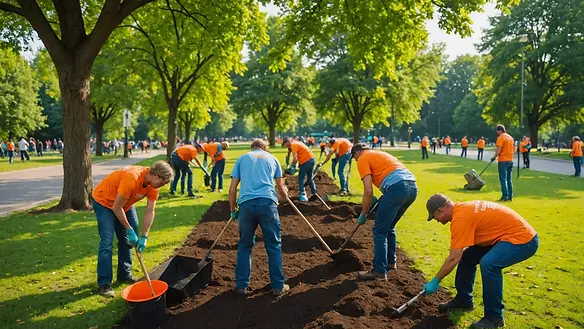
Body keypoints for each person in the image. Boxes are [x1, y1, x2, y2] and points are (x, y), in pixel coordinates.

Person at [423, 194, 538, 329]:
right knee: (468, 257)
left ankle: (494, 317)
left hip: (522, 239)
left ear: (440, 211)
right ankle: (464, 300)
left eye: (434, 216)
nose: (436, 220)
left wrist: (436, 280)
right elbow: (460, 253)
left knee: (489, 264)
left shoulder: (460, 218)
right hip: (500, 236)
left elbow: (454, 257)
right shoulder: (461, 210)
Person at [92, 161, 174, 297]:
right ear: (156, 176)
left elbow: (150, 211)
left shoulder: (153, 186)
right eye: (163, 182)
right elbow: (116, 207)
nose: (163, 186)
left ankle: (124, 275)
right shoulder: (132, 178)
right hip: (104, 202)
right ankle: (104, 284)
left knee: (128, 241)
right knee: (107, 242)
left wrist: (144, 236)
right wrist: (128, 229)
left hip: (124, 204)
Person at [229, 139, 290, 296]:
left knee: (244, 245)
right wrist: (285, 194)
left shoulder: (242, 158)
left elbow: (232, 189)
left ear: (252, 148)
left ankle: (241, 286)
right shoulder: (273, 159)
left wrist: (232, 209)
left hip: (246, 205)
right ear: (265, 148)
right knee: (274, 245)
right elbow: (281, 191)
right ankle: (278, 286)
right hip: (267, 204)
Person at [350, 143, 418, 280]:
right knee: (389, 226)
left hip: (397, 188)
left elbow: (368, 191)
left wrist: (363, 214)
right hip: (412, 187)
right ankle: (390, 262)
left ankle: (379, 270)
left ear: (357, 152)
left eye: (354, 157)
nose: (355, 160)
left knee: (379, 231)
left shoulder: (363, 158)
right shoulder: (379, 153)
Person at [282, 137, 317, 202]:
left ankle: (302, 195)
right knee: (310, 178)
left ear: (287, 142)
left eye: (285, 144)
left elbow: (295, 159)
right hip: (312, 159)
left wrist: (290, 167)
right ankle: (314, 193)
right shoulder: (298, 143)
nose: (285, 146)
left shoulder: (293, 145)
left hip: (306, 161)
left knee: (301, 177)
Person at [491, 125, 515, 201]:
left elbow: (498, 150)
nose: (497, 133)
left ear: (500, 130)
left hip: (503, 160)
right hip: (510, 160)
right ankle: (510, 196)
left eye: (497, 131)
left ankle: (505, 196)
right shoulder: (511, 138)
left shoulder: (501, 138)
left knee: (503, 179)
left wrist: (494, 157)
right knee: (509, 179)